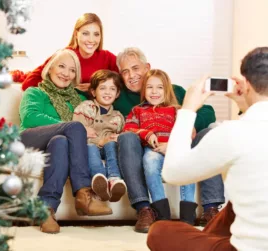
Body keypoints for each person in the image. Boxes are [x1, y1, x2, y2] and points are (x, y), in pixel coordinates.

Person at [147, 46, 268, 251]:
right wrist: (246, 106)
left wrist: (187, 110)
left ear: (246, 84)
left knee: (159, 232)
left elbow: (173, 172)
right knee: (233, 206)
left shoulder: (232, 133)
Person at [114, 47, 224, 233]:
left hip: (179, 144)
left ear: (147, 67)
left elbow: (207, 111)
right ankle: (145, 209)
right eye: (125, 72)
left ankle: (210, 209)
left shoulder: (172, 92)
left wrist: (187, 128)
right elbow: (103, 102)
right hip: (147, 149)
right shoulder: (118, 97)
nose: (131, 75)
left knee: (209, 134)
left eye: (135, 68)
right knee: (127, 138)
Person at [19, 48, 112, 234]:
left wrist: (107, 136)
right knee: (74, 127)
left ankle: (46, 209)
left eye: (72, 70)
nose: (66, 73)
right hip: (28, 138)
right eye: (61, 66)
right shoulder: (35, 92)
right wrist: (70, 126)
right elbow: (30, 118)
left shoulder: (77, 99)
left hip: (56, 143)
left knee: (60, 141)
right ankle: (83, 194)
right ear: (50, 68)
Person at [123, 69, 198, 224]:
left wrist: (171, 146)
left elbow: (189, 132)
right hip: (154, 150)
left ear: (167, 90)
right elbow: (128, 129)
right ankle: (161, 214)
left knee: (189, 164)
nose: (154, 92)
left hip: (176, 149)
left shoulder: (176, 111)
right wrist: (146, 134)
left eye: (160, 87)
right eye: (150, 87)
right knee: (149, 160)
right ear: (144, 90)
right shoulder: (137, 110)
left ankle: (188, 216)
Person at [19, 13, 118, 93]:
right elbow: (28, 83)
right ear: (76, 34)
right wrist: (64, 87)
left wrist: (97, 87)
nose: (91, 40)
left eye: (96, 34)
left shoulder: (107, 57)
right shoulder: (66, 55)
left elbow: (126, 82)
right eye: (85, 33)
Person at [73, 69, 127, 202]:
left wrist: (116, 139)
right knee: (90, 146)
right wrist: (100, 141)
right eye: (102, 88)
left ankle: (114, 179)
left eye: (112, 89)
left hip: (108, 148)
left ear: (117, 93)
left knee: (111, 145)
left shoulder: (118, 116)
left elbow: (121, 136)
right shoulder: (85, 107)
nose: (107, 92)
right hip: (89, 147)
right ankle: (99, 178)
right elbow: (76, 132)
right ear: (93, 92)